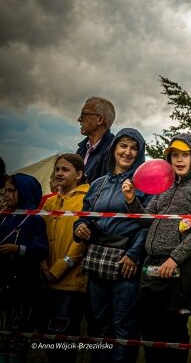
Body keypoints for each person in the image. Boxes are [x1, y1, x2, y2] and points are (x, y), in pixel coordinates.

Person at [124, 134, 191, 363]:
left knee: (173, 329)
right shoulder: (164, 186)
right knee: (150, 329)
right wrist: (131, 200)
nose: (180, 160)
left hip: (180, 266)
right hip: (152, 263)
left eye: (185, 155)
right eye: (175, 155)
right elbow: (146, 220)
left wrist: (174, 259)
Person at [73, 128, 151, 363]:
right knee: (99, 325)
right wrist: (80, 227)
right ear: (114, 148)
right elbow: (84, 216)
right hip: (97, 261)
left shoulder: (145, 185)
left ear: (140, 153)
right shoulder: (97, 184)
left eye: (134, 147)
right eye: (123, 145)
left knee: (124, 326)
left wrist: (134, 255)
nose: (127, 152)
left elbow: (147, 224)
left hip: (125, 262)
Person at [39, 154, 90, 363]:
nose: (59, 173)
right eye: (57, 169)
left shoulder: (86, 200)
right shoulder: (50, 203)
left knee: (64, 341)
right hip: (45, 280)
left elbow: (81, 243)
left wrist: (58, 269)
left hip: (70, 283)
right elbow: (38, 236)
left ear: (78, 175)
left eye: (65, 169)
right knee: (47, 337)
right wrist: (43, 267)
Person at [0, 173, 47, 363]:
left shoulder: (35, 220)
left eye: (12, 191)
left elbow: (41, 250)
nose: (6, 195)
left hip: (23, 288)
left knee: (18, 339)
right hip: (3, 286)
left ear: (25, 191)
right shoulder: (3, 217)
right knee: (2, 337)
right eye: (5, 191)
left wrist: (18, 249)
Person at [76, 96, 116, 183]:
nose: (79, 119)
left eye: (84, 114)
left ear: (100, 119)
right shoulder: (81, 150)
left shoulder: (114, 150)